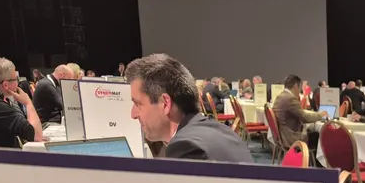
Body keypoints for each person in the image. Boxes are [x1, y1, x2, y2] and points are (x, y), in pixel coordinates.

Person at [125, 53, 254, 162]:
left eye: (138, 104)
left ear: (165, 103)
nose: (133, 114)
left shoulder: (186, 148)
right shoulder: (225, 132)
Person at [274, 74, 328, 152]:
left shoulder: (280, 96)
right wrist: (320, 115)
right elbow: (305, 118)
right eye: (299, 88)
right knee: (321, 135)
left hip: (283, 135)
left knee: (312, 130)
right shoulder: (290, 99)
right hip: (292, 138)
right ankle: (313, 159)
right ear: (295, 86)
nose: (299, 91)